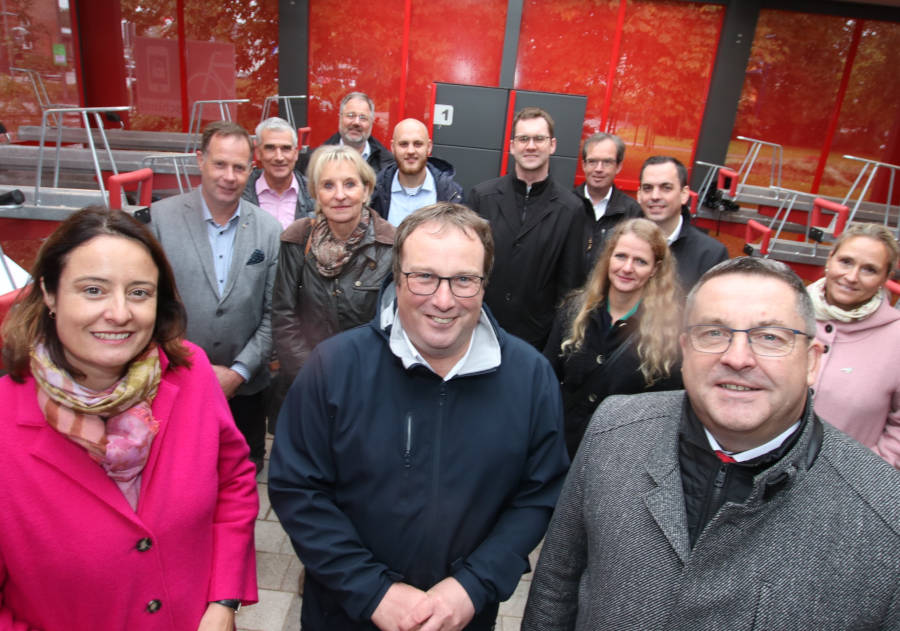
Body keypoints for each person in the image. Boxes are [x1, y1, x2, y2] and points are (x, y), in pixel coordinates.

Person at [522, 257, 900, 631]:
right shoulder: (614, 431)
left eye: (770, 337)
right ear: (685, 350)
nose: (737, 358)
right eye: (713, 333)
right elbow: (557, 584)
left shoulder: (885, 513)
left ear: (811, 362)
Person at [269, 202, 569, 631]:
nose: (443, 300)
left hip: (462, 619)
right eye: (424, 276)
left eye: (463, 279)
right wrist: (372, 590)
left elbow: (538, 495)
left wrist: (473, 586)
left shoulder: (530, 377)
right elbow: (298, 488)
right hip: (345, 615)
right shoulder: (333, 367)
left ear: (484, 284)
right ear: (396, 277)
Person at [0, 207, 258, 630]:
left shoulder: (191, 372)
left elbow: (233, 481)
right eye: (93, 290)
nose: (119, 313)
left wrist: (223, 600)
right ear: (49, 292)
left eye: (139, 292)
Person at [150, 120, 281, 472]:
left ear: (251, 169)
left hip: (244, 390)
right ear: (200, 160)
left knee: (243, 474)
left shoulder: (269, 230)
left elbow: (274, 312)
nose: (229, 176)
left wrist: (238, 372)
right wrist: (190, 366)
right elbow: (149, 305)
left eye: (239, 167)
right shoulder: (160, 220)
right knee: (180, 473)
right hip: (175, 381)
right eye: (220, 164)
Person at [544, 218, 682, 458]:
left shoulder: (668, 333)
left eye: (640, 261)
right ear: (608, 258)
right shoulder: (574, 310)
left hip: (618, 458)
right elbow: (547, 377)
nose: (627, 268)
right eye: (621, 256)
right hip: (561, 448)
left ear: (655, 269)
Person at [271, 144, 395, 413]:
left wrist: (357, 381)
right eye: (328, 185)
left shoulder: (391, 245)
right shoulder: (297, 239)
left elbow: (395, 327)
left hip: (367, 390)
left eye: (350, 184)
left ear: (366, 190)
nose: (340, 195)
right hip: (307, 387)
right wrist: (313, 377)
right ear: (315, 193)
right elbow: (283, 315)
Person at [468, 107, 586, 349]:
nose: (530, 146)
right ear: (512, 146)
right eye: (523, 139)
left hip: (535, 340)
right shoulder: (482, 197)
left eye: (539, 139)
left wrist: (555, 347)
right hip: (479, 328)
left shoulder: (571, 209)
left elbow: (569, 288)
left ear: (552, 145)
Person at [808, 222, 900, 468]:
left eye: (869, 269)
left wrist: (868, 470)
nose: (851, 277)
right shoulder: (790, 312)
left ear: (885, 277)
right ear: (830, 258)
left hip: (846, 481)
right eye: (846, 262)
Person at [638, 155, 728, 290]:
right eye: (647, 188)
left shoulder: (711, 255)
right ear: (639, 195)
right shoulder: (617, 241)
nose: (655, 196)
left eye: (666, 188)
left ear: (684, 194)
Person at [370, 118, 464, 225]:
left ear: (429, 147)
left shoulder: (452, 194)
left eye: (418, 144)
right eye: (404, 144)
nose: (410, 151)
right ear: (393, 148)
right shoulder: (374, 192)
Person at [574, 132, 642, 273]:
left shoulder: (632, 212)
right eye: (592, 161)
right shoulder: (566, 205)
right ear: (584, 165)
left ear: (618, 166)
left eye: (607, 162)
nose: (599, 169)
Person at [242, 116, 315, 229]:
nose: (279, 157)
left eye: (286, 148)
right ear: (258, 153)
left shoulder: (316, 195)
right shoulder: (239, 196)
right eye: (270, 148)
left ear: (296, 154)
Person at [299, 91, 394, 175]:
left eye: (363, 118)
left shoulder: (388, 165)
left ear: (371, 122)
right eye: (351, 115)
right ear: (340, 118)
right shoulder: (313, 161)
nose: (356, 122)